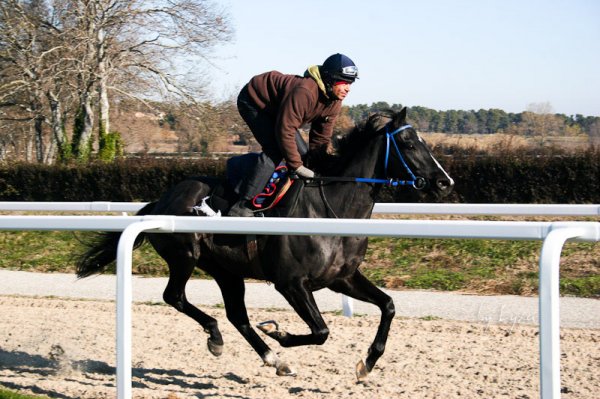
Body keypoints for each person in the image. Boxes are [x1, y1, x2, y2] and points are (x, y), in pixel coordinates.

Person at [228, 53, 358, 217]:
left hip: (279, 110)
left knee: (305, 156)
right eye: (343, 82)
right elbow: (285, 130)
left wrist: (319, 164)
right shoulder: (304, 92)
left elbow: (321, 139)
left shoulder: (335, 102)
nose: (348, 88)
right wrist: (296, 166)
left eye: (350, 83)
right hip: (254, 101)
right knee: (275, 150)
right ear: (330, 79)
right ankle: (242, 205)